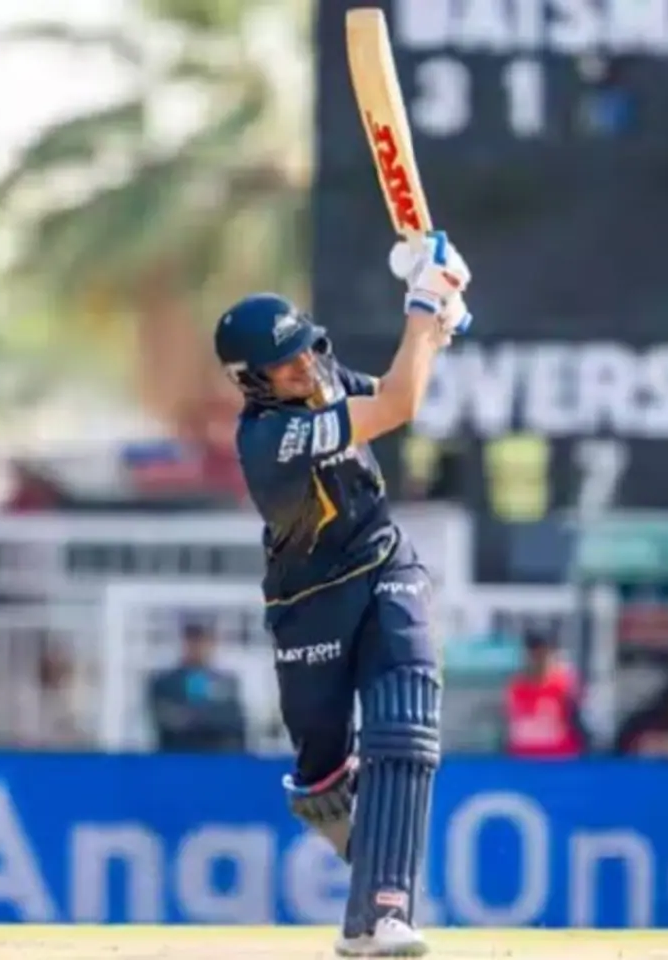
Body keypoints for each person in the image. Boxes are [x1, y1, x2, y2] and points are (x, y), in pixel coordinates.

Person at [214, 231, 472, 957]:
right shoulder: (268, 438)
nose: (304, 365)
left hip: (384, 558)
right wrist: (423, 305)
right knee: (323, 779)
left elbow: (396, 383)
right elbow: (398, 405)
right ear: (252, 380)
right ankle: (345, 836)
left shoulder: (321, 376)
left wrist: (438, 320)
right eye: (285, 362)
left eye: (304, 348)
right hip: (311, 603)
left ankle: (383, 914)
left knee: (405, 724)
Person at [147, 619, 246, 753]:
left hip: (216, 755)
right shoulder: (164, 682)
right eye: (192, 641)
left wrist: (198, 718)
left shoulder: (227, 683)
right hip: (177, 754)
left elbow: (233, 720)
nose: (197, 647)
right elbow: (165, 718)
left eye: (202, 641)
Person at [503, 628, 588, 758]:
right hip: (524, 754)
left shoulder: (563, 683)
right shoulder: (516, 687)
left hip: (557, 754)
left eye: (542, 652)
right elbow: (512, 723)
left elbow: (576, 715)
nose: (537, 657)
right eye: (532, 652)